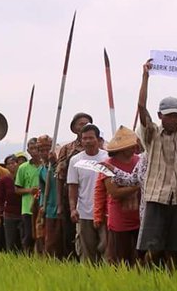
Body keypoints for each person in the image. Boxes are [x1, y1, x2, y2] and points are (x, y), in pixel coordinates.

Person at [136, 58, 177, 268]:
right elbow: (141, 107)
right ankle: (149, 278)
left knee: (175, 248)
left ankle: (169, 282)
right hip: (157, 196)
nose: (173, 119)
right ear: (160, 116)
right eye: (169, 116)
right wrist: (145, 77)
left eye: (176, 115)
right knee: (153, 247)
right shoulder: (152, 134)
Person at [93, 126, 141, 266]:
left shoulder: (138, 161)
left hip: (138, 216)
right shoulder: (109, 165)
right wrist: (137, 186)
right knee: (119, 257)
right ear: (123, 148)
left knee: (137, 257)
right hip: (119, 218)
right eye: (131, 145)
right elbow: (114, 192)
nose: (135, 147)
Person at [67, 124, 109, 263]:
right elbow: (73, 187)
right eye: (84, 138)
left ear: (98, 139)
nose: (88, 141)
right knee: (87, 251)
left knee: (106, 249)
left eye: (91, 138)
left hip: (105, 212)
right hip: (84, 212)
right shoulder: (75, 160)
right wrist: (73, 209)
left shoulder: (107, 158)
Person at [56, 113, 93, 259]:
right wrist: (59, 203)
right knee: (70, 232)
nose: (84, 126)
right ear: (74, 128)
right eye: (81, 123)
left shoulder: (99, 146)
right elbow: (59, 176)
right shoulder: (67, 149)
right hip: (70, 195)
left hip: (91, 194)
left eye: (87, 123)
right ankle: (71, 260)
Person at [36, 135, 63, 258]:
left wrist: (55, 163)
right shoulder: (41, 170)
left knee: (61, 240)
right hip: (49, 209)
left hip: (61, 207)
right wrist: (42, 205)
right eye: (42, 150)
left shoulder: (58, 165)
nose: (45, 153)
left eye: (47, 149)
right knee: (49, 241)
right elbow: (42, 190)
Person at [15, 137, 41, 253]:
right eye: (32, 148)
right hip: (27, 208)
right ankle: (27, 258)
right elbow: (17, 189)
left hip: (42, 206)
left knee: (41, 234)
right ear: (28, 151)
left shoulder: (46, 166)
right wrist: (29, 190)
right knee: (29, 236)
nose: (35, 151)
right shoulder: (22, 168)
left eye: (37, 148)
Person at [0, 154, 23, 252]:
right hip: (9, 214)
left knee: (22, 240)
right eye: (9, 164)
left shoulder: (22, 177)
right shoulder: (4, 180)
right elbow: (0, 199)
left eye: (13, 163)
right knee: (10, 241)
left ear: (17, 164)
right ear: (6, 166)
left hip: (22, 212)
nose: (12, 165)